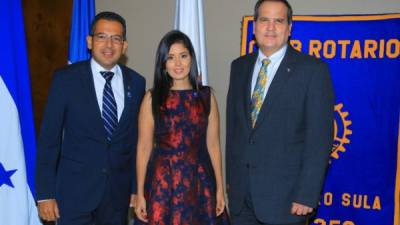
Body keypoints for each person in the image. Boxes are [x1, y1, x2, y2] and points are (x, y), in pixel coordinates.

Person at [226, 0, 335, 224]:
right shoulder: (239, 67)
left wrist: (306, 195)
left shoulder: (313, 71)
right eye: (264, 20)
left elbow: (319, 140)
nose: (270, 27)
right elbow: (234, 130)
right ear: (254, 26)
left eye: (279, 21)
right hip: (241, 200)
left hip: (286, 202)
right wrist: (231, 182)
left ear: (289, 27)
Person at [35, 11, 145, 225]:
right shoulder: (65, 79)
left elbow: (135, 141)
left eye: (116, 38)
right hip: (73, 196)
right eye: (102, 36)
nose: (109, 45)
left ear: (125, 46)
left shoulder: (137, 82)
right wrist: (45, 194)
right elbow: (50, 140)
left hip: (117, 198)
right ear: (89, 41)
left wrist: (135, 188)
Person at [134, 30, 230, 225]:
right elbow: (143, 148)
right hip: (162, 182)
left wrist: (220, 188)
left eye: (183, 56)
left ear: (191, 59)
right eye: (170, 58)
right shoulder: (152, 99)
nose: (178, 64)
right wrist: (139, 193)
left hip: (200, 182)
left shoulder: (206, 97)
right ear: (163, 63)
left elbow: (213, 146)